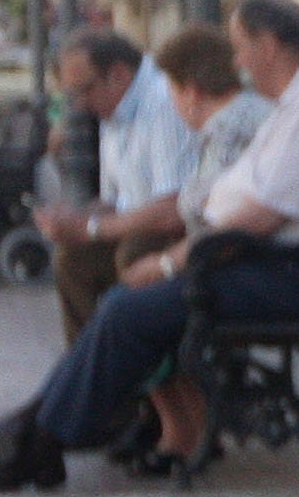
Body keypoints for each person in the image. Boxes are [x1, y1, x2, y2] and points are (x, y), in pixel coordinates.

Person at [0, 0, 299, 494]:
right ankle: (35, 435)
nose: (235, 63)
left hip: (290, 272)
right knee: (123, 300)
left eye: (240, 48)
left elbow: (260, 215)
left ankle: (37, 439)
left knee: (129, 307)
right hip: (272, 261)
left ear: (271, 44)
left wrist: (172, 263)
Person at [107, 24, 272, 467]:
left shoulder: (231, 127)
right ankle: (169, 421)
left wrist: (164, 261)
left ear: (191, 89)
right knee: (127, 280)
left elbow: (218, 215)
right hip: (236, 258)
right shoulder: (239, 119)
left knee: (131, 303)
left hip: (235, 266)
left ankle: (183, 427)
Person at [29, 29, 195, 342]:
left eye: (83, 91)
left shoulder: (161, 103)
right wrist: (73, 219)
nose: (78, 105)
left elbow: (174, 209)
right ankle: (87, 367)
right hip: (143, 226)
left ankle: (135, 371)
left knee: (131, 253)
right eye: (72, 95)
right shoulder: (113, 109)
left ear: (118, 75)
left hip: (180, 233)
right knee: (72, 257)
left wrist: (91, 227)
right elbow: (115, 200)